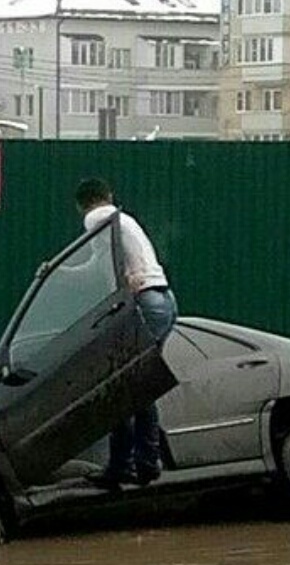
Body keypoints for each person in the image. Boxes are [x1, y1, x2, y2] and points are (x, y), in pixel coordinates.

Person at [74, 178, 178, 488]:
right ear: (109, 194)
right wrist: (60, 271)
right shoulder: (124, 220)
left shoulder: (97, 216)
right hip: (163, 299)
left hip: (145, 300)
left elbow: (103, 268)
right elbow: (98, 262)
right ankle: (145, 463)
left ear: (82, 203)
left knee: (120, 388)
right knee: (137, 386)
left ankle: (124, 466)